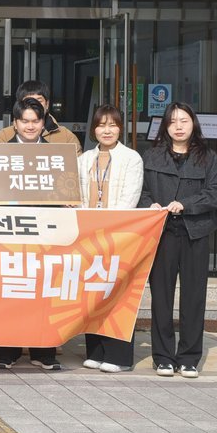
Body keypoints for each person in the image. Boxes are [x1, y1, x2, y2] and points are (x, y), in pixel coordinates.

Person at [140, 102, 217, 379]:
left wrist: (186, 204)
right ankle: (163, 357)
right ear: (165, 126)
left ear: (193, 124)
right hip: (162, 232)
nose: (178, 126)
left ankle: (189, 357)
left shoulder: (207, 156)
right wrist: (150, 205)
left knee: (193, 296)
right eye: (173, 121)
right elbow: (140, 190)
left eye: (184, 121)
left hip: (195, 232)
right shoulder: (152, 155)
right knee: (161, 297)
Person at [0, 98, 65, 371]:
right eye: (25, 121)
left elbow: (67, 190)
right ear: (15, 124)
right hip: (10, 234)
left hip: (45, 235)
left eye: (35, 121)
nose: (30, 126)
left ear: (43, 124)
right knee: (9, 291)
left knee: (44, 293)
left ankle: (43, 351)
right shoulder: (0, 153)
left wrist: (67, 202)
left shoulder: (56, 156)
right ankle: (6, 351)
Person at [78, 105, 144, 374]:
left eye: (113, 125)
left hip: (119, 235)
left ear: (120, 128)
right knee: (92, 293)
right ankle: (95, 351)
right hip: (89, 235)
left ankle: (119, 356)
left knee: (118, 295)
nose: (107, 130)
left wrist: (110, 226)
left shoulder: (131, 158)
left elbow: (130, 198)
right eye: (101, 125)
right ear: (94, 129)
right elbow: (78, 196)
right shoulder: (84, 159)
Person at [0, 80, 82, 154]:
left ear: (47, 104)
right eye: (28, 101)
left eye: (39, 100)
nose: (34, 104)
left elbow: (77, 166)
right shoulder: (4, 136)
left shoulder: (66, 137)